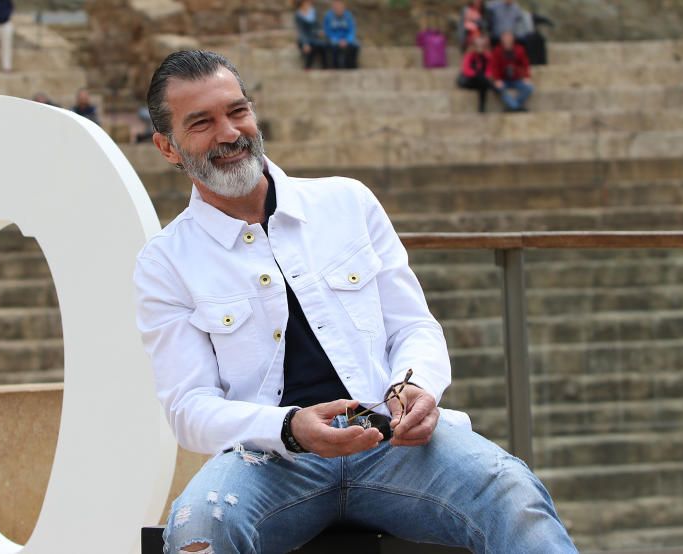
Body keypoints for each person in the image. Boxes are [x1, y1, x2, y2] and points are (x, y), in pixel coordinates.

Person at [136, 49, 578, 554]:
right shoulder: (165, 261)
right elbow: (189, 407)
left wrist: (415, 386)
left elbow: (415, 327)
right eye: (202, 123)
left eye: (237, 111)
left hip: (391, 441)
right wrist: (290, 428)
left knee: (512, 491)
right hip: (269, 459)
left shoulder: (347, 202)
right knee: (199, 530)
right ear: (168, 148)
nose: (230, 133)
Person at [491, 31, 533, 112]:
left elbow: (525, 64)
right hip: (503, 79)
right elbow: (494, 66)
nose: (507, 40)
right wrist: (497, 79)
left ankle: (512, 106)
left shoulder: (519, 49)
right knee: (500, 89)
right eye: (505, 37)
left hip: (516, 79)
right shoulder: (497, 51)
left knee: (529, 88)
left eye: (509, 37)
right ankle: (516, 107)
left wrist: (526, 77)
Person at [458, 35, 493, 113]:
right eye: (478, 45)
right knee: (482, 80)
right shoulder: (469, 56)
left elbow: (489, 70)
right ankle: (491, 86)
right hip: (469, 80)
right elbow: (466, 70)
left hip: (481, 81)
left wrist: (484, 76)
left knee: (482, 84)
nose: (479, 47)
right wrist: (478, 75)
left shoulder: (486, 56)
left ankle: (482, 107)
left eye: (482, 45)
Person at [324, 0, 359, 70]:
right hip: (334, 40)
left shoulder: (348, 16)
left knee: (355, 46)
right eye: (336, 6)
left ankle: (352, 67)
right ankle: (335, 67)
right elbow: (328, 31)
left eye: (340, 6)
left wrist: (347, 40)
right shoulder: (328, 16)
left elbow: (352, 30)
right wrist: (337, 40)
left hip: (347, 40)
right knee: (332, 47)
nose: (338, 8)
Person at [294, 0, 326, 70]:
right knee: (310, 48)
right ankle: (307, 68)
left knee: (323, 46)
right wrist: (305, 42)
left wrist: (319, 31)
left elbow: (317, 26)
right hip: (304, 39)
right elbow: (301, 31)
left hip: (314, 38)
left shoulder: (313, 12)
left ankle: (325, 67)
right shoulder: (299, 15)